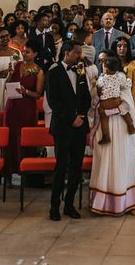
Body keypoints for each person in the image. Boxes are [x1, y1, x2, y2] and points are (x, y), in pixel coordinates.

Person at [89, 53, 135, 216]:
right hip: (105, 127)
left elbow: (128, 105)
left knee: (123, 161)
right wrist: (96, 94)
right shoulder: (101, 81)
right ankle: (102, 202)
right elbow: (94, 105)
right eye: (100, 62)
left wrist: (112, 110)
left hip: (121, 128)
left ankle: (129, 202)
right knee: (105, 160)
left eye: (104, 62)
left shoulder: (121, 81)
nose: (102, 65)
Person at [46, 40, 91, 221]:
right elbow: (53, 101)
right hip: (63, 126)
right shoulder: (53, 72)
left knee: (76, 168)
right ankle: (54, 206)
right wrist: (71, 118)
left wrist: (80, 115)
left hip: (79, 126)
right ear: (66, 53)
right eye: (76, 52)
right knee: (61, 167)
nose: (80, 56)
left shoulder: (80, 71)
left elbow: (86, 97)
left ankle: (70, 205)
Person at [3, 37, 45, 185]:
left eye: (27, 52)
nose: (24, 54)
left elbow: (38, 94)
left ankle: (25, 171)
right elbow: (7, 85)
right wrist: (9, 74)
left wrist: (25, 91)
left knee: (23, 139)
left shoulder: (38, 71)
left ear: (35, 54)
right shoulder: (17, 65)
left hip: (27, 107)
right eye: (23, 51)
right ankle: (7, 172)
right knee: (9, 138)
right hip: (12, 106)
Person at [95, 56, 135, 144]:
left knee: (104, 119)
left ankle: (106, 136)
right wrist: (129, 79)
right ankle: (130, 126)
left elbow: (98, 87)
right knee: (125, 112)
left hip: (105, 103)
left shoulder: (102, 78)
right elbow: (126, 85)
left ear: (106, 69)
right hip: (116, 101)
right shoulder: (119, 77)